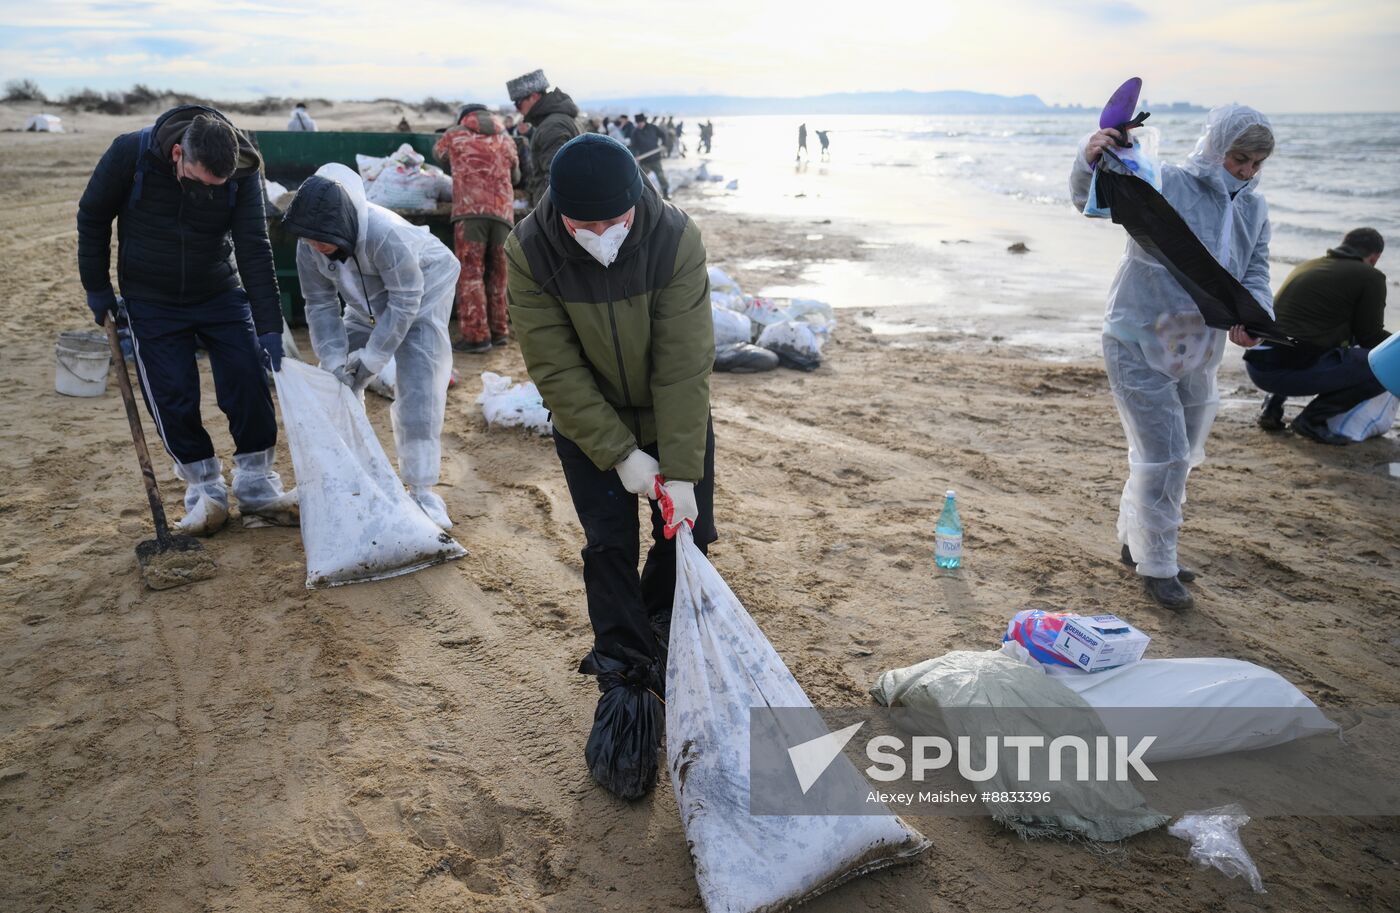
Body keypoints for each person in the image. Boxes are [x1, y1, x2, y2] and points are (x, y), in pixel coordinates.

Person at [505, 133, 715, 798]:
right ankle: (624, 677)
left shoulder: (674, 238)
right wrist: (620, 453)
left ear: (636, 204)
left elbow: (683, 363)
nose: (600, 234)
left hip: (669, 410)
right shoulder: (530, 248)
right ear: (557, 211)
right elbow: (555, 368)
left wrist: (678, 470)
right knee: (608, 543)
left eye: (613, 222)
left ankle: (659, 628)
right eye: (582, 225)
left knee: (688, 535)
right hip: (588, 419)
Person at [1071, 104, 1275, 611]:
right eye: (1239, 159)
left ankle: (1135, 539)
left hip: (1200, 346)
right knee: (1166, 454)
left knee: (1179, 451)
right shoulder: (1169, 181)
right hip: (1137, 334)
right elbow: (1093, 201)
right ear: (1217, 148)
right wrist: (1090, 155)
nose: (1246, 172)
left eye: (1256, 164)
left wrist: (1256, 318)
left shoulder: (1253, 208)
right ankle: (1159, 564)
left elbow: (1254, 271)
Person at [77, 104, 297, 535]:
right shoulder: (130, 154)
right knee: (172, 394)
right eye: (200, 182)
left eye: (220, 185)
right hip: (151, 298)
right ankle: (206, 493)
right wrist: (97, 287)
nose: (208, 192)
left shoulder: (244, 167)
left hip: (218, 289)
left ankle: (256, 485)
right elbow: (93, 216)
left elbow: (253, 245)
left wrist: (270, 324)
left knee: (247, 379)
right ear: (178, 154)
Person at [281, 163, 461, 529]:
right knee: (333, 382)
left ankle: (422, 488)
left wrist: (375, 356)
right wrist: (334, 359)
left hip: (424, 288)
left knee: (419, 383)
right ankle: (339, 476)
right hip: (367, 300)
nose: (316, 246)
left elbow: (406, 299)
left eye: (323, 239)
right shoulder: (309, 244)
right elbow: (319, 303)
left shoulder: (384, 234)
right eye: (309, 239)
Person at [1245, 228, 1389, 443]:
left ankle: (1271, 409)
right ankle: (1311, 421)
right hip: (1286, 373)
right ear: (1375, 257)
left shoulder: (1309, 265)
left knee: (1302, 335)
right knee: (1385, 365)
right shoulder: (1371, 276)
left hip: (1258, 366)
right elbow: (1371, 336)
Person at [435, 103, 521, 353]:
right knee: (499, 274)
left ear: (465, 118)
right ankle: (499, 330)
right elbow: (516, 177)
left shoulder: (454, 134)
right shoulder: (506, 138)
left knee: (471, 274)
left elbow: (438, 156)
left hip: (470, 212)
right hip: (503, 213)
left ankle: (476, 337)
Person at [506, 68, 580, 209]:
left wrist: (546, 216)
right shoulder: (559, 120)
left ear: (533, 96)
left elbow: (555, 177)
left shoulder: (552, 126)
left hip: (556, 212)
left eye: (518, 103)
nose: (517, 109)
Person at [629, 113, 670, 200]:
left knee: (660, 176)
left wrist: (664, 144)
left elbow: (663, 135)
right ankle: (643, 197)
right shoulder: (635, 132)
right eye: (638, 123)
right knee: (642, 179)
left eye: (641, 122)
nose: (639, 124)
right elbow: (633, 146)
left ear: (644, 121)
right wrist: (634, 155)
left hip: (655, 158)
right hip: (644, 160)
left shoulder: (653, 128)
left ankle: (666, 194)